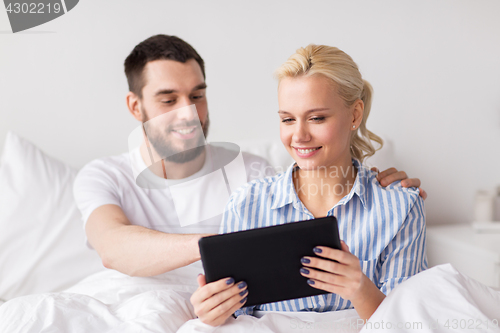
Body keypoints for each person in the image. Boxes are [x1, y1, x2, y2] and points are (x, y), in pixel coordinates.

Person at [74, 35, 424, 279]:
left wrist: (381, 190)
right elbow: (113, 248)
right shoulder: (105, 175)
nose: (188, 112)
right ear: (136, 106)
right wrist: (228, 246)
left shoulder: (251, 172)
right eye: (169, 100)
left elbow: (312, 191)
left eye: (197, 95)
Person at [190, 44, 427, 327]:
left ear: (354, 115)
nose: (299, 135)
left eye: (316, 118)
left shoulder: (401, 206)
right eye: (288, 119)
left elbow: (407, 323)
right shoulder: (246, 205)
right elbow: (234, 317)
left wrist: (360, 289)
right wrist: (213, 311)